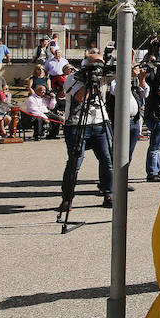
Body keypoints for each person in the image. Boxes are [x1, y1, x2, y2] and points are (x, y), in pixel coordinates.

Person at [59, 52, 114, 212]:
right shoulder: (73, 77)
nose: (99, 69)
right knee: (75, 163)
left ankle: (109, 194)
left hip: (99, 123)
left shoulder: (104, 76)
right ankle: (67, 199)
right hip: (76, 125)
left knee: (108, 161)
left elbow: (127, 72)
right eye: (95, 65)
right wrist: (91, 80)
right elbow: (80, 97)